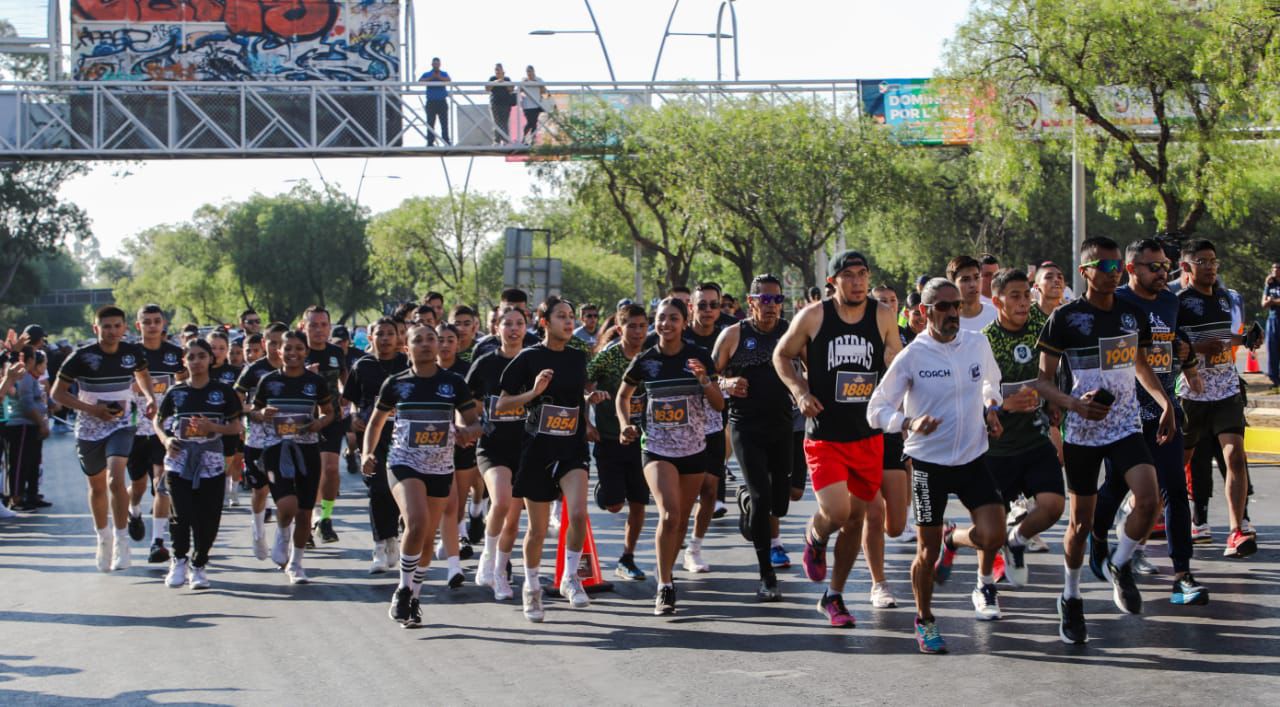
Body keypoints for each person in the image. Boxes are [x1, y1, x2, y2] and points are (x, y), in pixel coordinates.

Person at [1034, 236, 1175, 645]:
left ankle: (1120, 563)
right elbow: (1042, 381)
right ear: (1086, 272)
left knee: (1150, 499)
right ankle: (1071, 596)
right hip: (1082, 432)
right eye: (1106, 268)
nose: (1114, 275)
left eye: (1118, 268)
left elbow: (1140, 363)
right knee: (1079, 525)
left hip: (1125, 425)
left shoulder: (1133, 315)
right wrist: (1073, 405)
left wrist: (1163, 400)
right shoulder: (1065, 318)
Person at [866, 277, 1005, 654]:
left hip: (973, 457)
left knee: (995, 535)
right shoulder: (913, 355)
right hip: (929, 463)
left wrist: (992, 408)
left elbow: (992, 381)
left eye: (956, 305)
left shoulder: (977, 343)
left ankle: (953, 538)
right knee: (925, 555)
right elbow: (875, 410)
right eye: (943, 307)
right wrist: (907, 423)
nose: (952, 313)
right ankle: (925, 620)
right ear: (925, 312)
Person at [774, 251, 903, 624]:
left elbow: (896, 357)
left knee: (856, 521)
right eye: (849, 275)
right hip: (826, 435)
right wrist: (800, 391)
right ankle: (815, 536)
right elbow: (782, 356)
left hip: (867, 435)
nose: (858, 281)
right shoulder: (814, 316)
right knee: (838, 512)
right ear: (833, 282)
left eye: (863, 274)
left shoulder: (882, 314)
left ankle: (835, 596)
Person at [1089, 239, 1208, 606]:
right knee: (1114, 487)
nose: (1161, 273)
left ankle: (1182, 576)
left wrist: (1184, 358)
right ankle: (1098, 544)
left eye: (1165, 266)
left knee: (1173, 488)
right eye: (1153, 267)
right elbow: (1119, 358)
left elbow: (1175, 340)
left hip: (1163, 410)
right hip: (1124, 413)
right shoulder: (1119, 302)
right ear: (1131, 268)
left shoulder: (1172, 302)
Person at [497, 296, 609, 622]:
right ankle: (531, 587)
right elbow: (502, 405)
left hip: (572, 447)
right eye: (562, 316)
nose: (569, 321)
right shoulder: (528, 358)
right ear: (544, 322)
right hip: (538, 449)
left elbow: (577, 395)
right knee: (538, 528)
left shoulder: (577, 357)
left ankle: (570, 577)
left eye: (571, 316)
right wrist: (532, 393)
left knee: (577, 513)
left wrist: (592, 397)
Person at [362, 324, 480, 627]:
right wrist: (367, 453)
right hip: (403, 462)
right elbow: (375, 423)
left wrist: (467, 432)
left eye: (432, 339)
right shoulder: (396, 383)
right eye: (419, 340)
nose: (427, 344)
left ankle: (414, 596)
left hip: (440, 467)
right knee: (416, 521)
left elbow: (474, 423)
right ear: (407, 348)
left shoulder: (453, 383)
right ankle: (402, 589)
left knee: (427, 538)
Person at [962, 270, 1065, 613]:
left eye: (1026, 295)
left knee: (1053, 506)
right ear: (997, 301)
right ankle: (984, 585)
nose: (1023, 302)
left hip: (1035, 441)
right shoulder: (983, 341)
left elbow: (1052, 374)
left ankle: (1018, 539)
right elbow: (971, 393)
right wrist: (1004, 405)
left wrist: (1053, 403)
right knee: (988, 531)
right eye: (1015, 296)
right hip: (996, 449)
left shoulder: (1042, 327)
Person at [617, 297, 724, 615]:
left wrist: (704, 379)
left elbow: (719, 404)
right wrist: (625, 424)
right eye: (661, 318)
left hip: (693, 449)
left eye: (673, 318)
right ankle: (664, 585)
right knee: (669, 514)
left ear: (684, 320)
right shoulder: (646, 360)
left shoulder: (700, 356)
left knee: (679, 521)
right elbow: (624, 395)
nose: (666, 324)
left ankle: (668, 568)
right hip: (656, 448)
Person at [50, 305, 156, 572]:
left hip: (122, 422)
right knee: (98, 486)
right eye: (105, 326)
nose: (111, 331)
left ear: (124, 328)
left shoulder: (132, 353)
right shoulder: (81, 357)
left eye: (116, 326)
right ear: (96, 329)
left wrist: (150, 396)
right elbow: (57, 394)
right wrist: (93, 410)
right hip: (89, 426)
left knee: (116, 476)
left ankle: (122, 541)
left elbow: (143, 375)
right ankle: (103, 538)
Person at [717, 274, 799, 600]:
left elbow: (811, 365)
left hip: (782, 425)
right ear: (751, 301)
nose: (772, 306)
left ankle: (746, 499)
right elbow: (710, 375)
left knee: (780, 502)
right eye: (765, 299)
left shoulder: (790, 332)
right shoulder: (734, 334)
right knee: (764, 500)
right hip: (745, 426)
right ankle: (766, 575)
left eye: (777, 299)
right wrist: (726, 385)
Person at [1177, 240, 1258, 558]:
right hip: (1192, 393)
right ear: (1186, 267)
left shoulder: (1225, 299)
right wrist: (1199, 349)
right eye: (1202, 261)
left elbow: (1224, 338)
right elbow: (1167, 341)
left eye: (1214, 260)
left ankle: (1236, 531)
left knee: (1235, 456)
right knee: (1178, 463)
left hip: (1225, 390)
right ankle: (1145, 514)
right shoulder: (1178, 302)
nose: (1210, 267)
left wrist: (1246, 339)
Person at [154, 339, 243, 590]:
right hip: (179, 462)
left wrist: (212, 427)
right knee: (181, 514)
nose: (196, 361)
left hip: (211, 463)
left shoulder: (224, 392)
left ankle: (199, 564)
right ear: (184, 361)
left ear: (210, 359)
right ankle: (179, 559)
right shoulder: (176, 392)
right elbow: (158, 422)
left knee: (208, 517)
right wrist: (166, 439)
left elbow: (236, 427)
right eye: (191, 357)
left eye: (201, 356)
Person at [249, 331, 335, 584]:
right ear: (278, 351)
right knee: (287, 506)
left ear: (306, 352)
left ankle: (296, 563)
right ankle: (282, 534)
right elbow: (253, 411)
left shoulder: (315, 382)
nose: (292, 353)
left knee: (305, 511)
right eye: (287, 349)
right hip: (276, 448)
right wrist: (262, 412)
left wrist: (320, 423)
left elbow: (329, 412)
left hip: (307, 449)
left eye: (298, 348)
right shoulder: (268, 381)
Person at [468, 306, 534, 600]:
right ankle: (487, 556)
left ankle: (501, 573)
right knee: (502, 500)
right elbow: (467, 402)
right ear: (497, 328)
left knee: (514, 518)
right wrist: (469, 424)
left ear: (527, 328)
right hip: (492, 445)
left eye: (520, 323)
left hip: (525, 446)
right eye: (508, 323)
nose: (514, 329)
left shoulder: (534, 362)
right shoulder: (484, 363)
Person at [586, 303, 650, 581]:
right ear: (620, 328)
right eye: (631, 326)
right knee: (614, 504)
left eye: (642, 326)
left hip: (643, 441)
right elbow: (584, 382)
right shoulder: (608, 357)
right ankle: (607, 489)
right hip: (609, 438)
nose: (637, 332)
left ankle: (627, 557)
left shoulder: (652, 356)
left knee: (638, 502)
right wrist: (592, 398)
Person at [861, 283, 914, 609]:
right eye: (882, 302)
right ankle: (878, 583)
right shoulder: (860, 339)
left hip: (893, 430)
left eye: (892, 302)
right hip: (859, 431)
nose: (888, 306)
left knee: (894, 526)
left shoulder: (907, 342)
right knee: (873, 511)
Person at [343, 318, 409, 574]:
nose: (385, 339)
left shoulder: (406, 363)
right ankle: (380, 545)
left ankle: (393, 537)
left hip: (402, 434)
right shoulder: (363, 366)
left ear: (399, 337)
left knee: (396, 487)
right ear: (370, 338)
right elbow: (350, 400)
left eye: (390, 334)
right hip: (372, 434)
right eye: (379, 334)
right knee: (377, 487)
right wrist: (354, 416)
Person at [125, 304, 187, 564]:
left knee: (161, 483)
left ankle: (157, 542)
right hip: (134, 430)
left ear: (163, 324)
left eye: (156, 321)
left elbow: (186, 384)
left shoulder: (175, 354)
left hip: (165, 430)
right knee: (139, 485)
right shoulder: (128, 355)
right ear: (138, 325)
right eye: (146, 321)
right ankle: (133, 509)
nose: (152, 326)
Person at [234, 322, 289, 562]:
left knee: (286, 494)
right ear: (264, 344)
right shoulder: (254, 371)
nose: (277, 348)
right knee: (260, 490)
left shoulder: (296, 369)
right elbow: (235, 402)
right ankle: (258, 533)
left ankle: (282, 540)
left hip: (288, 440)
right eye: (272, 343)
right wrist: (254, 411)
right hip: (257, 439)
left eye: (281, 343)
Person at [301, 306, 349, 545]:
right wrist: (303, 373)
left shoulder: (335, 352)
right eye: (313, 325)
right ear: (304, 327)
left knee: (330, 469)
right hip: (303, 421)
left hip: (332, 417)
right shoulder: (297, 351)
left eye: (323, 325)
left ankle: (326, 518)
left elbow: (345, 381)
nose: (319, 330)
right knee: (309, 474)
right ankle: (306, 524)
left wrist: (347, 397)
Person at [4, 348, 48, 511]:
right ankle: (16, 498)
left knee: (32, 463)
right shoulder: (24, 378)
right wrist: (42, 423)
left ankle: (31, 495)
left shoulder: (31, 378)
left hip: (31, 425)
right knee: (20, 463)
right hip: (21, 425)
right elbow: (26, 404)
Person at [206, 330, 244, 508]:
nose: (217, 352)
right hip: (205, 426)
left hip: (230, 424)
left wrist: (243, 424)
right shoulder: (199, 370)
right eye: (213, 348)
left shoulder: (235, 373)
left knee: (229, 460)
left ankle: (231, 491)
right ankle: (215, 493)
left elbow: (241, 400)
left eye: (222, 348)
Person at [473, 289, 540, 359]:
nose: (513, 314)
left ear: (526, 313)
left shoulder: (536, 346)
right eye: (507, 310)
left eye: (519, 311)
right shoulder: (483, 348)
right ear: (499, 311)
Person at [947, 255, 997, 332]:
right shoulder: (947, 321)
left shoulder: (996, 316)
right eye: (965, 280)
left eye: (977, 277)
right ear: (953, 285)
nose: (973, 284)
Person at [420, 58, 452, 146]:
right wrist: (431, 78)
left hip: (442, 101)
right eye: (434, 64)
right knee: (430, 123)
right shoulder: (427, 74)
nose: (436, 65)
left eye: (437, 64)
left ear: (440, 64)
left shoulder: (444, 73)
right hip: (431, 102)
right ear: (432, 64)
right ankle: (430, 141)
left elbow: (449, 80)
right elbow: (420, 81)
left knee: (444, 123)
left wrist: (439, 78)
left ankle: (446, 141)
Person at [487, 63, 518, 144]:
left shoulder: (507, 79)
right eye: (496, 70)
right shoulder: (492, 78)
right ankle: (496, 141)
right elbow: (487, 88)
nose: (497, 71)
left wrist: (503, 81)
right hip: (495, 103)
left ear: (502, 71)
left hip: (506, 103)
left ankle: (505, 140)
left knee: (504, 122)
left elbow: (511, 89)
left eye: (498, 69)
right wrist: (496, 82)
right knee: (496, 122)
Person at [1263, 262, 1280, 390]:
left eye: (1278, 268)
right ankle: (1274, 379)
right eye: (1273, 268)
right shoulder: (1269, 284)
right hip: (1273, 320)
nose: (1275, 270)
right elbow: (1263, 303)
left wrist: (1272, 301)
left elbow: (1269, 301)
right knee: (1272, 349)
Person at [520, 65, 547, 144]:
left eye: (530, 71)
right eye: (527, 71)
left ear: (533, 71)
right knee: (530, 122)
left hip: (536, 105)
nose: (529, 73)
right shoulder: (524, 80)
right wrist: (524, 84)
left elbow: (544, 91)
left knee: (534, 122)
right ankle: (524, 137)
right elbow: (519, 90)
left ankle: (533, 139)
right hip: (527, 105)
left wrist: (538, 84)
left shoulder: (539, 79)